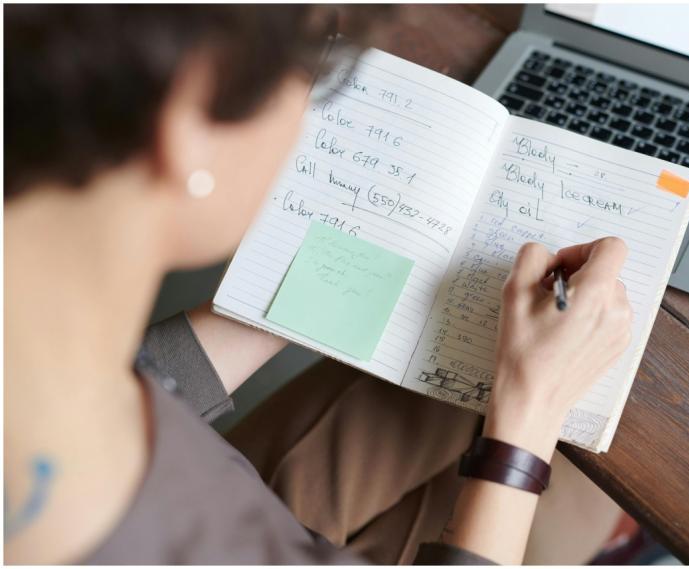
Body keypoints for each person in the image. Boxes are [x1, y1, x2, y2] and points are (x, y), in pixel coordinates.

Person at [4, 4, 633, 565]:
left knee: (450, 380)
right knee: (584, 464)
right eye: (308, 79)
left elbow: (132, 383)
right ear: (193, 125)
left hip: (218, 477)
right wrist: (528, 416)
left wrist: (268, 302)